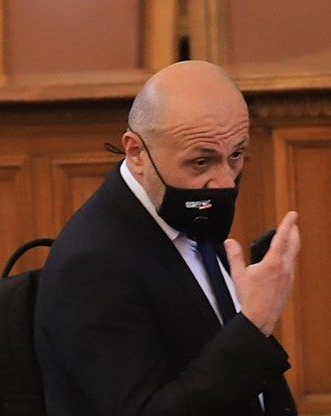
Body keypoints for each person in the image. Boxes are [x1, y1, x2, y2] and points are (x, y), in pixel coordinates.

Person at [34, 60, 300, 416]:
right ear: (136, 152)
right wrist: (254, 324)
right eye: (201, 162)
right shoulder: (93, 264)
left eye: (236, 155)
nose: (224, 182)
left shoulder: (185, 214)